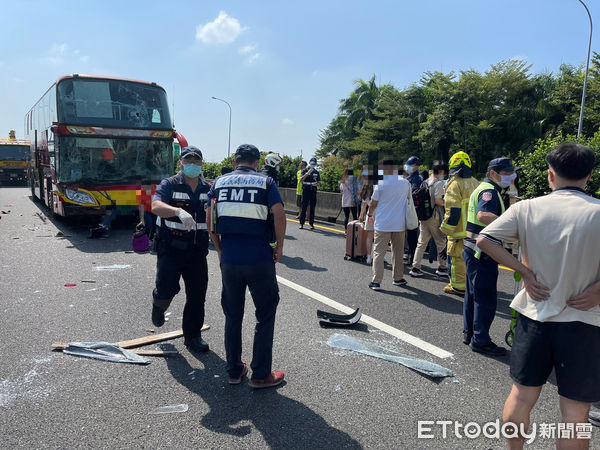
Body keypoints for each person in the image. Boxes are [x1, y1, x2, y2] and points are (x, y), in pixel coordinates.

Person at [476, 143, 600, 449]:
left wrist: (524, 272)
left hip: (535, 315)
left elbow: (485, 239)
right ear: (590, 175)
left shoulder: (526, 208)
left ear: (550, 175)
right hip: (585, 321)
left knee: (521, 396)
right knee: (575, 412)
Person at [207, 144, 287, 389]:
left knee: (233, 315)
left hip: (230, 259)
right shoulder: (266, 183)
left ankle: (234, 370)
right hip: (259, 258)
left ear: (235, 161)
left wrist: (220, 250)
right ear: (257, 160)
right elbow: (280, 214)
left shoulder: (219, 183)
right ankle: (261, 375)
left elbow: (211, 219)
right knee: (265, 314)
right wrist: (279, 248)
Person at [150, 146, 211, 353]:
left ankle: (193, 336)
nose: (192, 165)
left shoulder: (208, 189)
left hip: (197, 250)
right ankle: (159, 305)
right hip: (171, 248)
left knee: (197, 295)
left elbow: (216, 215)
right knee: (167, 289)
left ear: (202, 163)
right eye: (188, 161)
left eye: (196, 161)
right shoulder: (170, 184)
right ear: (181, 163)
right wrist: (177, 211)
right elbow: (156, 206)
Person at [462, 157, 516, 356]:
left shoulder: (486, 189)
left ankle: (470, 333)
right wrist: (510, 224)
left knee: (473, 295)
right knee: (485, 299)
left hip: (471, 250)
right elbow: (483, 216)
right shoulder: (489, 192)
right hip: (482, 253)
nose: (511, 176)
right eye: (507, 173)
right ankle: (481, 340)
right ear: (493, 173)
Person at [440, 151, 479, 296]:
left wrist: (445, 230)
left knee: (457, 260)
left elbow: (453, 211)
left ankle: (458, 287)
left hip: (459, 231)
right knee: (472, 259)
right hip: (475, 230)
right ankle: (471, 285)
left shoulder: (454, 184)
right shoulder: (476, 182)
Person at [367, 159, 411, 290]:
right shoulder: (405, 183)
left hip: (383, 224)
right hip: (400, 223)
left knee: (379, 253)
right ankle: (398, 278)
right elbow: (408, 200)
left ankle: (376, 281)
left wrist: (370, 215)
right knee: (398, 252)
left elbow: (373, 203)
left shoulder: (381, 183)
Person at [409, 164, 448, 277]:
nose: (444, 175)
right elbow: (438, 201)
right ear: (440, 172)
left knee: (421, 242)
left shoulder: (425, 181)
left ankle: (415, 267)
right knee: (440, 242)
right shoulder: (439, 183)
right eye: (443, 172)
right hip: (434, 216)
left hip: (423, 215)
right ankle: (442, 267)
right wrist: (448, 203)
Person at [404, 156, 423, 267]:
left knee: (412, 234)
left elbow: (415, 193)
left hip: (413, 209)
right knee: (408, 234)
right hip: (408, 208)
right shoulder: (409, 178)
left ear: (416, 166)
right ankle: (409, 254)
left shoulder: (417, 178)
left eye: (410, 165)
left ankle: (412, 257)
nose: (408, 167)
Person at [299, 157, 320, 230]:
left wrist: (316, 184)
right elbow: (301, 180)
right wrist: (307, 174)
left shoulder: (316, 172)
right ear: (309, 162)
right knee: (304, 207)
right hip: (306, 190)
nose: (312, 165)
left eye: (314, 163)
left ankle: (311, 223)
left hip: (313, 190)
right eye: (311, 163)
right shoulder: (304, 170)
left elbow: (318, 182)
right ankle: (301, 223)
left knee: (312, 208)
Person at [357, 180, 374, 265]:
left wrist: (361, 215)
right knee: (380, 237)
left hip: (370, 215)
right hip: (381, 216)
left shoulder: (366, 192)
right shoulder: (379, 188)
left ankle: (369, 256)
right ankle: (380, 256)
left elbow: (364, 205)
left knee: (369, 237)